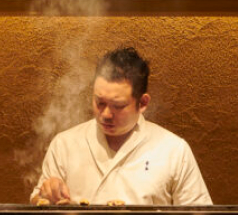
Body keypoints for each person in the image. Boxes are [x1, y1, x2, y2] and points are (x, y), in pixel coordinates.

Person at [30, 47, 212, 206]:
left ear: (142, 103)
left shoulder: (174, 150)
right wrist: (46, 195)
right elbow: (39, 204)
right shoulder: (64, 144)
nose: (106, 114)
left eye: (118, 106)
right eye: (100, 102)